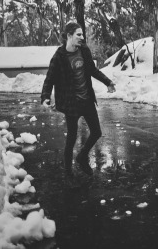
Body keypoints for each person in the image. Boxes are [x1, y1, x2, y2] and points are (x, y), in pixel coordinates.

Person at [41, 21, 116, 178]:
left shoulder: (84, 50)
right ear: (69, 36)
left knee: (96, 132)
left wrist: (108, 82)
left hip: (87, 100)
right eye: (79, 34)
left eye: (82, 34)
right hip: (71, 103)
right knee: (72, 138)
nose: (82, 37)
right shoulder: (59, 57)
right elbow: (49, 79)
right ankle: (68, 174)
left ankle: (82, 157)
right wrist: (45, 97)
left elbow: (92, 70)